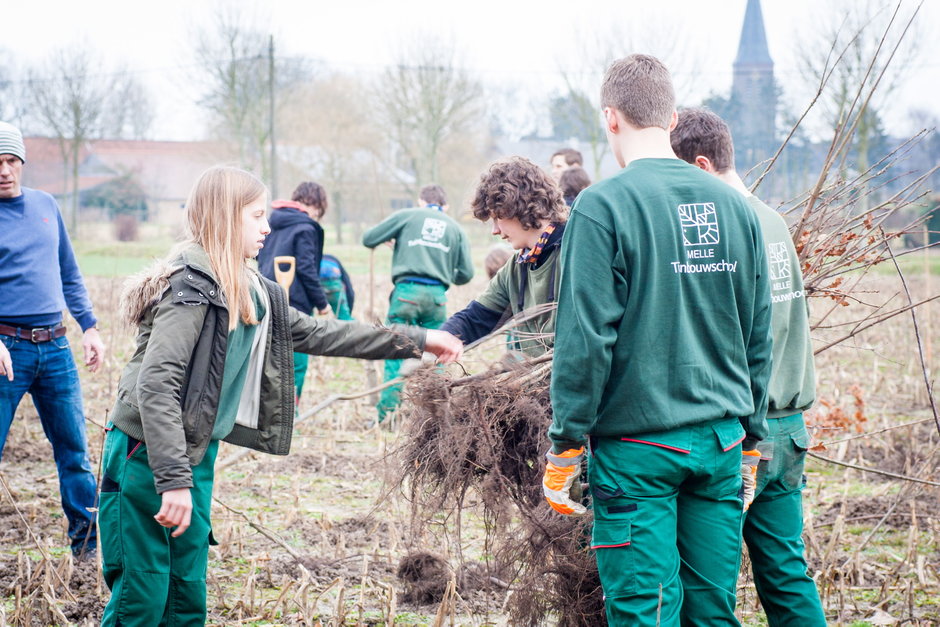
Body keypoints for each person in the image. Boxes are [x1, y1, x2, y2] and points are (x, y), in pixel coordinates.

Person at [98, 166, 462, 626]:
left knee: (186, 592)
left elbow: (322, 332)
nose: (268, 228)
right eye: (257, 216)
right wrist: (172, 479)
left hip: (195, 450)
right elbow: (156, 384)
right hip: (147, 451)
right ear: (225, 219)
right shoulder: (190, 286)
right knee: (143, 595)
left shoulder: (250, 287)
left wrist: (419, 339)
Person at [541, 55, 772, 626]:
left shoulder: (602, 206)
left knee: (647, 611)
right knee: (712, 611)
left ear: (610, 118)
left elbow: (586, 340)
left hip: (637, 449)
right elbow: (758, 331)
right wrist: (752, 438)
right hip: (720, 444)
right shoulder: (734, 206)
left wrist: (566, 442)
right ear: (672, 119)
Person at [671, 107, 824, 626]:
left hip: (743, 436)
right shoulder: (773, 219)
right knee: (785, 572)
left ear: (701, 164)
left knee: (708, 590)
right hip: (789, 427)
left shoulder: (723, 229)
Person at [0, 121, 106, 559]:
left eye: (10, 161)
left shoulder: (46, 205)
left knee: (74, 451)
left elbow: (69, 272)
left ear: (22, 162)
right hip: (7, 350)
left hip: (56, 348)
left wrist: (91, 327)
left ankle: (86, 549)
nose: (4, 170)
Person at [362, 184, 474, 420]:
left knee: (395, 347)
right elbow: (466, 274)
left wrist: (399, 242)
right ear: (446, 206)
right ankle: (439, 413)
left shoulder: (407, 215)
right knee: (437, 353)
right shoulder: (455, 228)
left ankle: (388, 415)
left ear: (421, 201)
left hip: (406, 294)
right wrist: (441, 271)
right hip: (437, 298)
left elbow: (369, 239)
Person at [440, 157, 567, 356]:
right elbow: (477, 318)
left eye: (498, 218)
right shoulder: (517, 267)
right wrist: (442, 338)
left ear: (521, 206)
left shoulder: (574, 250)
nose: (495, 230)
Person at [257, 181, 331, 402]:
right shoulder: (306, 227)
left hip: (267, 297)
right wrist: (322, 303)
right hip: (295, 303)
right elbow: (307, 270)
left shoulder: (270, 222)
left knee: (270, 359)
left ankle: (267, 411)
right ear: (315, 205)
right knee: (296, 361)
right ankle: (290, 413)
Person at [319, 253, 355, 320]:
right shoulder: (333, 259)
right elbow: (349, 291)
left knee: (306, 318)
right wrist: (348, 313)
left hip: (313, 283)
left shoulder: (311, 259)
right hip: (334, 285)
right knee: (344, 319)